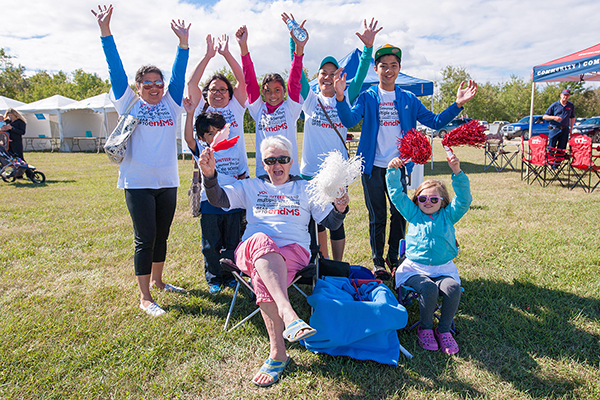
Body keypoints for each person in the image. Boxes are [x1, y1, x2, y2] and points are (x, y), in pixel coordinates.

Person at [198, 135, 349, 387]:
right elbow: (218, 199)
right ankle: (288, 314)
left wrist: (340, 208)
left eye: (283, 159)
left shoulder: (306, 188)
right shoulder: (251, 186)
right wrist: (210, 175)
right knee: (260, 239)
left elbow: (330, 223)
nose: (277, 164)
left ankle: (278, 354)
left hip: (293, 252)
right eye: (270, 160)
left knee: (262, 273)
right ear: (263, 162)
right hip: (251, 249)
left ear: (291, 162)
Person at [334, 43, 477, 280]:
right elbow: (349, 120)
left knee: (400, 214)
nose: (388, 70)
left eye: (393, 66)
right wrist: (340, 97)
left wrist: (457, 104)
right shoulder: (368, 97)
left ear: (399, 68)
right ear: (376, 69)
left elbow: (436, 121)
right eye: (383, 66)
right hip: (372, 167)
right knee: (377, 216)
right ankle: (379, 262)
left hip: (398, 167)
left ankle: (396, 258)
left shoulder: (409, 98)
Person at [92, 4, 190, 316]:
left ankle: (159, 281)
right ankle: (145, 297)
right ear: (137, 87)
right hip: (137, 182)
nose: (154, 87)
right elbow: (115, 69)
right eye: (147, 83)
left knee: (162, 236)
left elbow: (179, 74)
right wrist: (106, 32)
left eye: (157, 82)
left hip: (167, 181)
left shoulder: (172, 103)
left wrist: (183, 44)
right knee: (144, 238)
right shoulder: (128, 103)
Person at [285, 14, 381, 261]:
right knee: (315, 222)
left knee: (337, 220)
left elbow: (360, 74)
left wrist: (368, 48)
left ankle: (337, 265)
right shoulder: (310, 99)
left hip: (337, 173)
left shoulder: (345, 96)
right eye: (323, 73)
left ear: (339, 75)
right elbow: (296, 72)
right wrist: (295, 43)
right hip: (310, 173)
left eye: (332, 72)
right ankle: (322, 262)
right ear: (317, 77)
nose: (327, 77)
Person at [386, 154, 471, 355]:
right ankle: (425, 328)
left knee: (453, 289)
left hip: (443, 268)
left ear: (442, 202)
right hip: (415, 267)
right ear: (417, 199)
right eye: (423, 198)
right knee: (428, 289)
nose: (428, 202)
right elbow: (397, 195)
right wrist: (392, 171)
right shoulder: (413, 213)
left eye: (434, 199)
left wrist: (457, 172)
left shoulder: (449, 215)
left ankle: (443, 330)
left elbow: (464, 200)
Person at [183, 98, 249, 295]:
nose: (214, 136)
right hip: (210, 205)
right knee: (211, 244)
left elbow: (243, 174)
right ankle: (214, 278)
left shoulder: (236, 147)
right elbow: (188, 139)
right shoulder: (203, 151)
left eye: (218, 131)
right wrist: (189, 113)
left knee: (233, 242)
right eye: (209, 133)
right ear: (202, 137)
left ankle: (230, 276)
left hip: (234, 203)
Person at [236, 22, 306, 177]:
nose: (273, 95)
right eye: (268, 91)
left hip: (290, 174)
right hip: (264, 174)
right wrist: (243, 46)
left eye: (277, 90)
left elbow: (294, 80)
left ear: (283, 92)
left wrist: (299, 49)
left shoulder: (290, 108)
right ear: (262, 92)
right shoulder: (258, 109)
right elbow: (249, 79)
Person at [187, 33, 248, 158]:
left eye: (222, 89)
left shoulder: (235, 106)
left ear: (229, 94)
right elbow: (192, 83)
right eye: (213, 89)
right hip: (210, 174)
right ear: (206, 93)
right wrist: (207, 56)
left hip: (238, 174)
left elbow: (242, 80)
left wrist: (226, 53)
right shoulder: (202, 109)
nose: (218, 93)